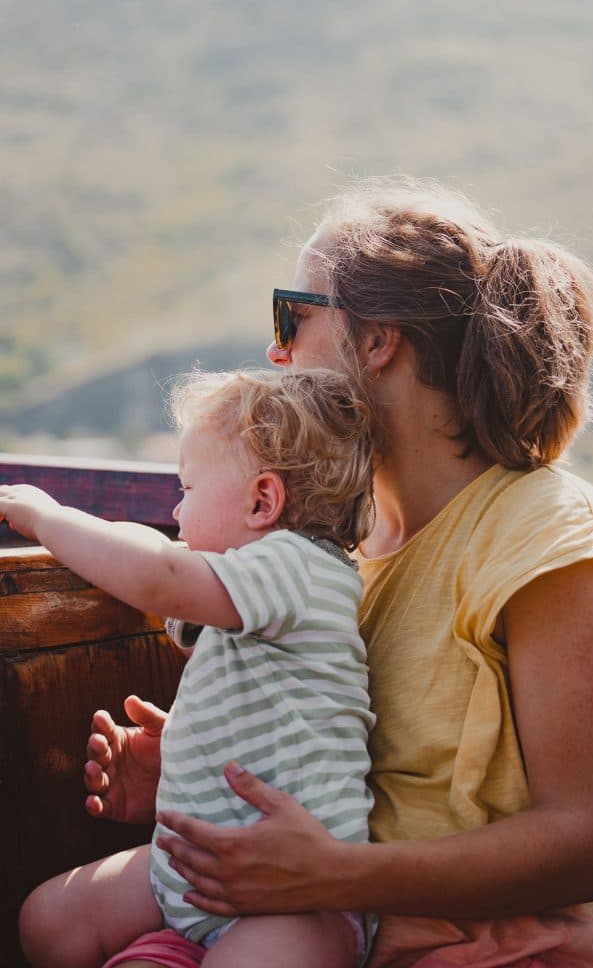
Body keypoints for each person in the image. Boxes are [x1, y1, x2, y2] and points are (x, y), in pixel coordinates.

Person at [27, 176, 593, 968]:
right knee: (51, 923)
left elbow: (583, 845)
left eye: (291, 315)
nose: (276, 350)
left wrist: (331, 873)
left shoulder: (551, 539)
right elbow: (362, 777)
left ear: (377, 339)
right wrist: (207, 776)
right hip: (308, 920)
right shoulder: (344, 549)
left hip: (480, 953)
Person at [3, 368, 378, 968]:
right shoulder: (245, 594)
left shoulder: (301, 568)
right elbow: (156, 560)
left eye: (188, 490)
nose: (175, 513)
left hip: (298, 901)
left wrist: (48, 518)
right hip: (195, 868)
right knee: (49, 920)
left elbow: (157, 572)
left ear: (263, 501)